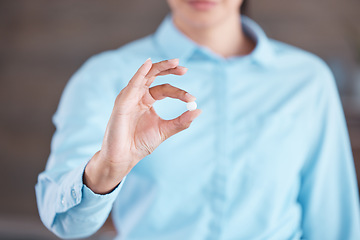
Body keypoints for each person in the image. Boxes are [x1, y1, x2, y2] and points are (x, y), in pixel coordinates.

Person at [36, 0, 360, 239]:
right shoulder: (105, 76)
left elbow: (333, 223)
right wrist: (107, 170)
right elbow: (65, 220)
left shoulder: (307, 80)